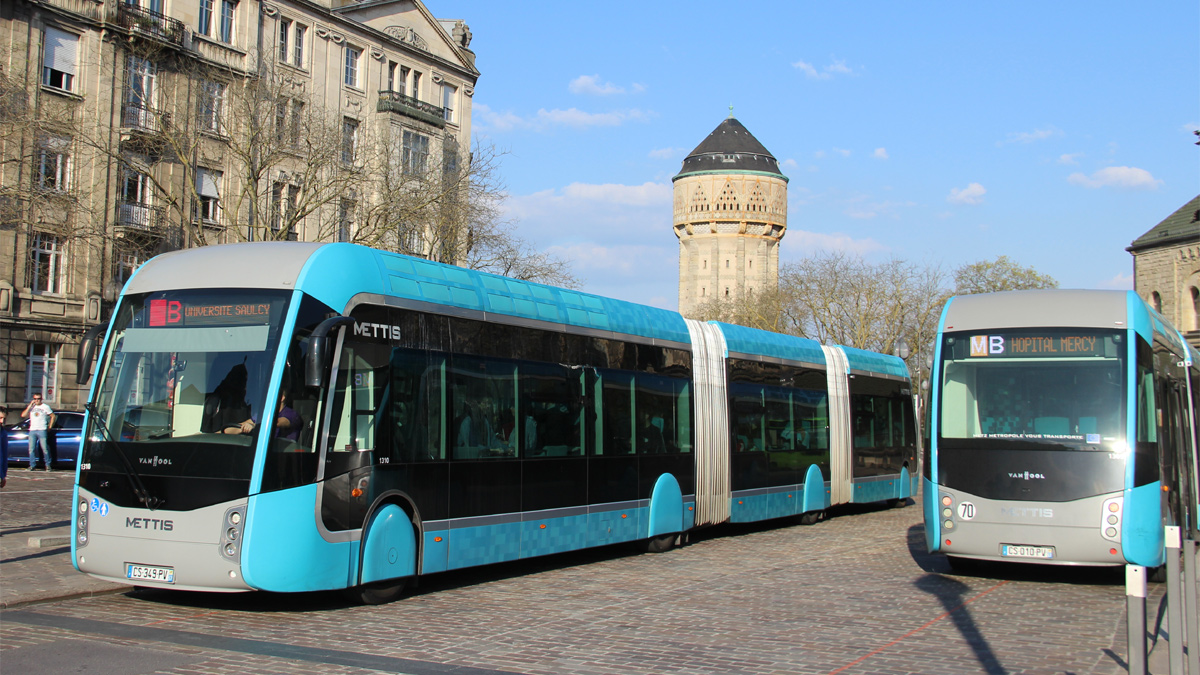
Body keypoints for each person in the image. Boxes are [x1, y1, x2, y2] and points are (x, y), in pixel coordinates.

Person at [201, 365, 254, 435]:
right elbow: (208, 431)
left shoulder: (248, 404)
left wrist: (250, 425)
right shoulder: (213, 400)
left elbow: (253, 422)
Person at [21, 394, 55, 470]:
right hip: (32, 429)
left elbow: (53, 416)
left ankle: (48, 465)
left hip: (42, 429)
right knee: (31, 449)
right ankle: (32, 465)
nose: (37, 400)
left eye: (38, 399)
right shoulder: (32, 407)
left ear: (41, 399)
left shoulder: (45, 407)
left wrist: (50, 426)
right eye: (35, 399)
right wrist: (30, 405)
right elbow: (23, 415)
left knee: (44, 448)